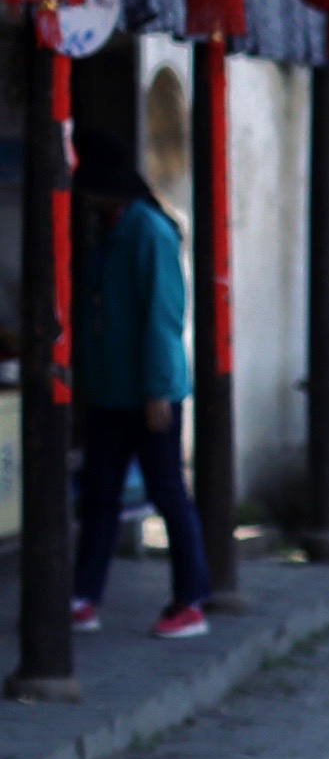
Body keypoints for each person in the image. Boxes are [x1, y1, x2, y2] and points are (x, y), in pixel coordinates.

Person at [66, 133, 208, 640]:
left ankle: (190, 599)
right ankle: (84, 597)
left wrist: (157, 391)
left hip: (149, 392)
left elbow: (162, 318)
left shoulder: (150, 232)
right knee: (99, 496)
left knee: (168, 492)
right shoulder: (111, 231)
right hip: (111, 391)